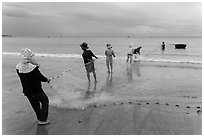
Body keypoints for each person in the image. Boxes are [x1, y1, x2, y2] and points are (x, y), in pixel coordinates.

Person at [16, 48, 50, 125]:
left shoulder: (18, 67)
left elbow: (26, 74)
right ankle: (43, 120)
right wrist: (47, 79)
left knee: (35, 105)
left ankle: (39, 118)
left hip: (27, 91)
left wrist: (34, 64)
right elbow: (40, 77)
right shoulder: (33, 67)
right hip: (36, 90)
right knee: (45, 101)